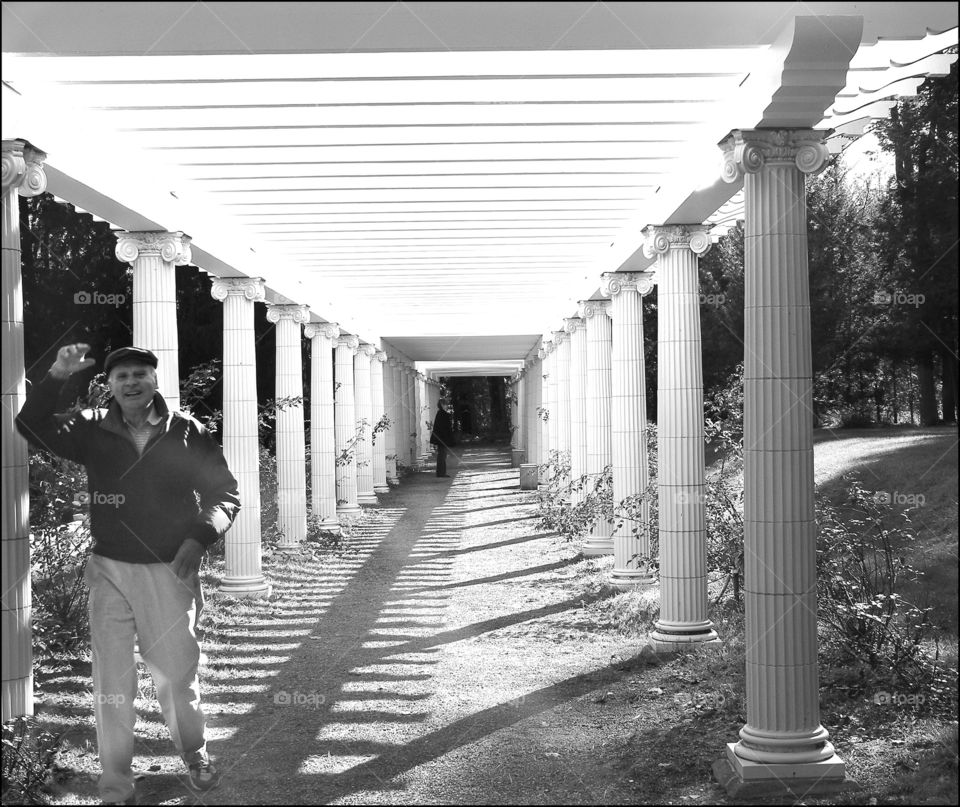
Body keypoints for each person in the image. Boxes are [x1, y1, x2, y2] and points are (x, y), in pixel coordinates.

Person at [16, 344, 239, 805]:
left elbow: (224, 492)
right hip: (110, 567)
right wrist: (56, 376)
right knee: (112, 680)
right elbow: (31, 426)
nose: (131, 382)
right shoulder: (92, 427)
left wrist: (199, 539)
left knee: (176, 674)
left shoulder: (187, 431)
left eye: (140, 373)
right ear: (110, 386)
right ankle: (116, 781)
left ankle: (195, 754)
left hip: (169, 568)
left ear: (156, 381)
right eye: (122, 376)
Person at [429, 399, 454, 477]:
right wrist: (447, 438)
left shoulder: (440, 413)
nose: (447, 406)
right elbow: (443, 428)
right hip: (442, 438)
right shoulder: (442, 414)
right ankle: (441, 473)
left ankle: (441, 472)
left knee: (442, 455)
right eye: (445, 404)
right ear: (442, 405)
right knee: (442, 456)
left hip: (441, 438)